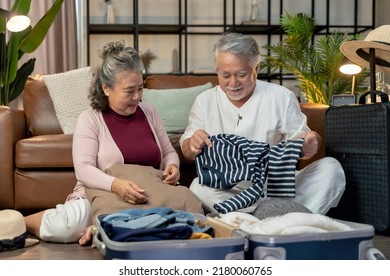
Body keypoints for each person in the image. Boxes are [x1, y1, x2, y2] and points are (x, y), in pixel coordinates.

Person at [24, 40, 202, 245]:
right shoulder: (90, 119)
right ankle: (25, 221)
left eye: (140, 89)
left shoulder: (149, 112)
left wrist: (173, 166)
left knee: (189, 216)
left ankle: (106, 226)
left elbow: (169, 151)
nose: (137, 97)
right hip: (105, 192)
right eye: (129, 91)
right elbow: (83, 169)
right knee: (64, 228)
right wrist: (116, 185)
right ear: (106, 88)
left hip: (149, 193)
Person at [180, 32, 346, 215]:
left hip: (276, 189)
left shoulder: (281, 96)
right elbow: (187, 150)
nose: (233, 83)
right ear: (217, 69)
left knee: (331, 168)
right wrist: (193, 143)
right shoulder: (204, 101)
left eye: (242, 75)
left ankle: (255, 218)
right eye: (225, 75)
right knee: (197, 187)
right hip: (227, 190)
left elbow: (303, 141)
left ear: (256, 69)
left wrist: (311, 141)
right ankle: (281, 217)